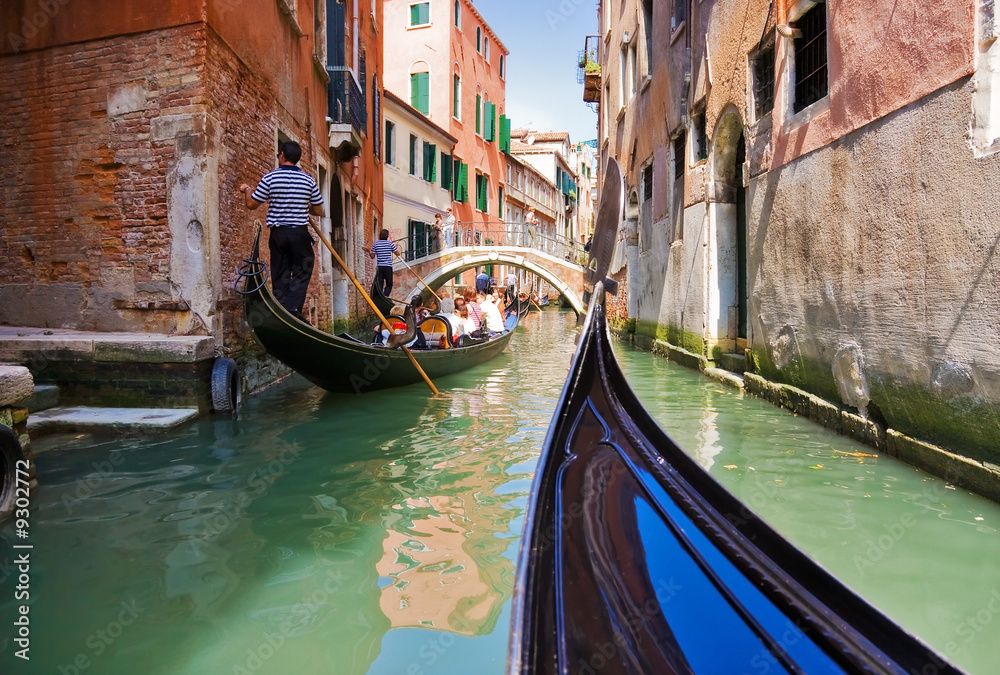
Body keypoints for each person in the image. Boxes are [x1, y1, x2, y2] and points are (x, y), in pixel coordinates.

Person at [240, 140, 324, 319]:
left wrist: (247, 189)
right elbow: (319, 210)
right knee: (303, 269)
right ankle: (292, 309)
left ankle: (284, 310)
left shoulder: (270, 178)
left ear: (282, 155)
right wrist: (302, 206)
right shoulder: (308, 180)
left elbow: (251, 204)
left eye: (279, 154)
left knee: (280, 274)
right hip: (299, 234)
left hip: (279, 235)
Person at [369, 229, 399, 297]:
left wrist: (368, 250)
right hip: (388, 266)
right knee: (389, 284)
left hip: (380, 266)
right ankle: (385, 296)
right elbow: (398, 253)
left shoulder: (376, 244)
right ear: (387, 236)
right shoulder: (390, 244)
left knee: (380, 284)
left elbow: (372, 256)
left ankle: (380, 296)